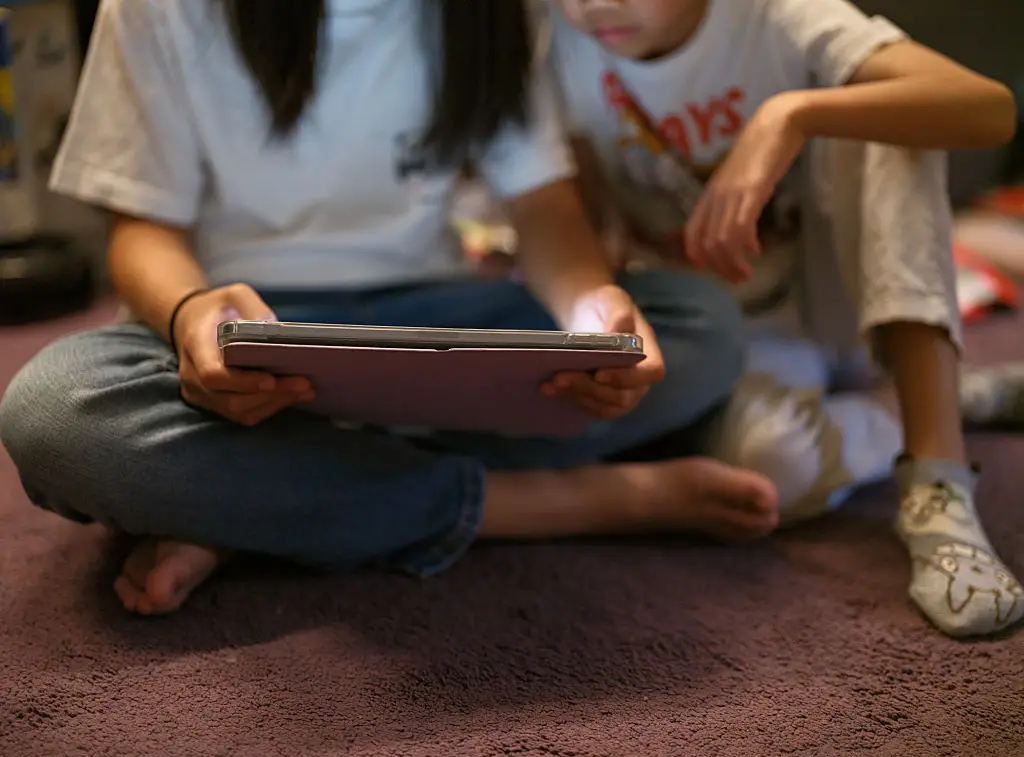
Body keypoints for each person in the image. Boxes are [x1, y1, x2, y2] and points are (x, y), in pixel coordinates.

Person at [0, 0, 812, 617]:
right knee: (53, 412)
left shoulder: (487, 14)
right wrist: (187, 315)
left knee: (698, 323)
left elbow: (542, 207)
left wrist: (593, 307)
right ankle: (546, 503)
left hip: (429, 312)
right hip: (242, 328)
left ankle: (249, 502)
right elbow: (141, 229)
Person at [545, 0, 1024, 638]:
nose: (593, 4)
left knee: (892, 112)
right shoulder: (559, 39)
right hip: (731, 332)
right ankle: (931, 401)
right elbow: (577, 212)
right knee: (768, 473)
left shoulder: (776, 14)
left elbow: (986, 107)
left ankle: (939, 482)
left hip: (846, 303)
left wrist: (789, 114)